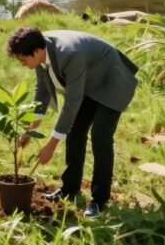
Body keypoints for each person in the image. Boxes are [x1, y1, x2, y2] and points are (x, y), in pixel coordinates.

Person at [7, 27, 138, 218]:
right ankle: (69, 189)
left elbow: (72, 103)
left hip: (112, 80)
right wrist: (29, 130)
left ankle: (99, 200)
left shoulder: (69, 54)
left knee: (100, 135)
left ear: (36, 52)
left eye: (23, 60)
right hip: (90, 82)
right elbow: (42, 92)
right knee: (75, 131)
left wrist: (51, 145)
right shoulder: (41, 53)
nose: (22, 64)